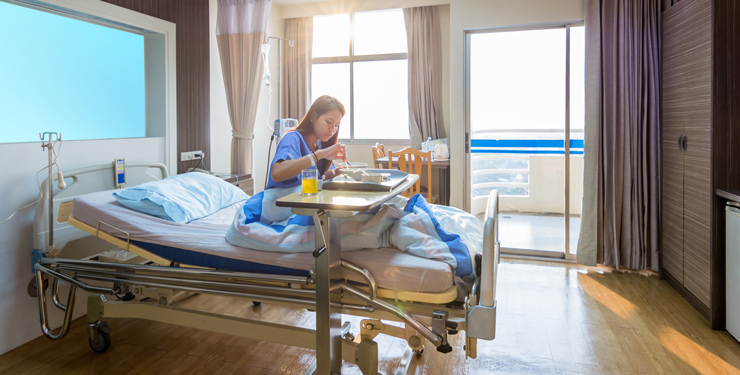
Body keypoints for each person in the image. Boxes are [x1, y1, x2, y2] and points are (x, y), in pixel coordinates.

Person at [266, 95, 348, 189]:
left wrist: (326, 177)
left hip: (303, 201)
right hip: (277, 201)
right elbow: (276, 173)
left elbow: (307, 185)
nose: (332, 129)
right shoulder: (292, 138)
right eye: (328, 122)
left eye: (337, 125)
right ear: (313, 117)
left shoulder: (320, 145)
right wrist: (318, 155)